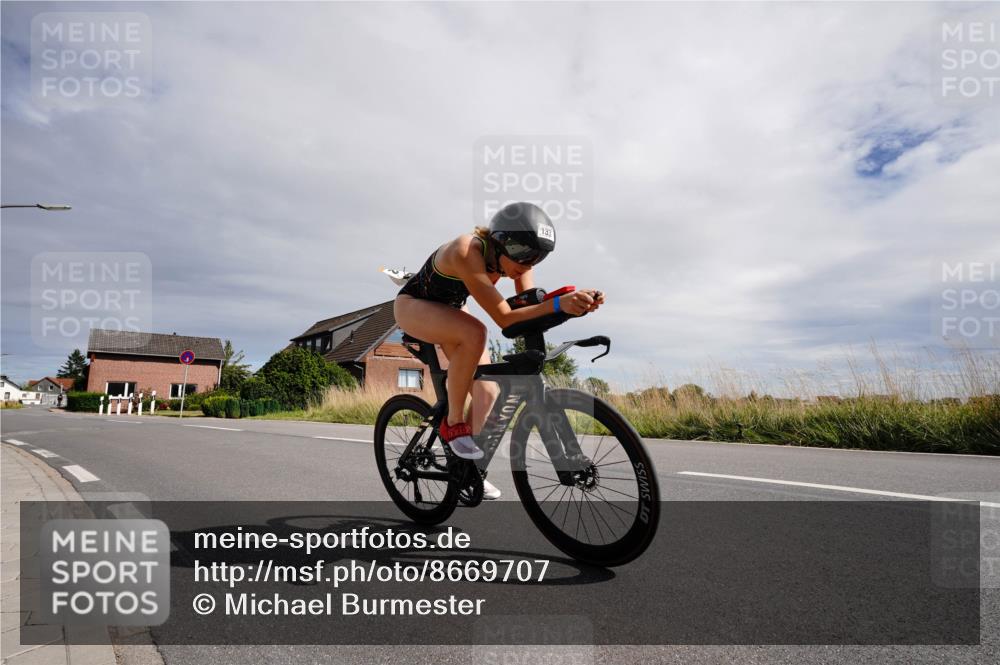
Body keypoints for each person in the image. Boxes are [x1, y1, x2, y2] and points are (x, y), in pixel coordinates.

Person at [394, 202, 604, 498]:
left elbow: (527, 305)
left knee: (488, 391)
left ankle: (466, 470)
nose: (529, 265)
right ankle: (453, 423)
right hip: (413, 306)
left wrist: (574, 302)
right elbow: (504, 317)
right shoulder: (467, 251)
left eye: (538, 257)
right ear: (502, 241)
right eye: (525, 254)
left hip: (450, 308)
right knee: (475, 332)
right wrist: (558, 304)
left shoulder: (516, 262)